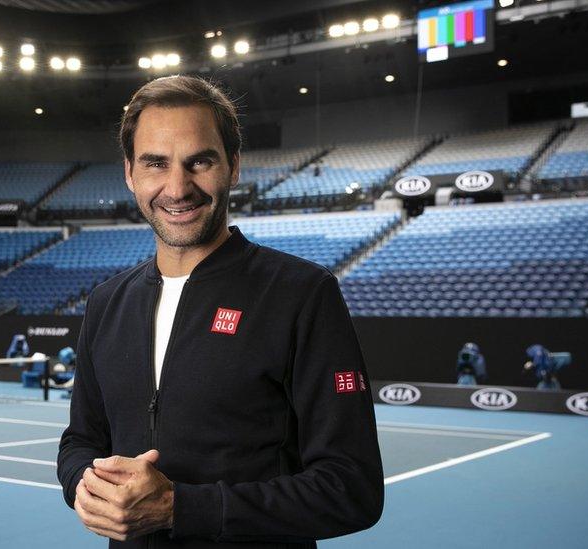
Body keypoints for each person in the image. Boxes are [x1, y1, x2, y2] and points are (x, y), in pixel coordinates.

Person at [57, 75, 383, 548]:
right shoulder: (106, 302)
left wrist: (181, 508)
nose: (177, 187)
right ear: (130, 173)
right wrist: (83, 488)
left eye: (199, 161)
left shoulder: (303, 294)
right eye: (155, 163)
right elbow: (80, 441)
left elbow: (353, 489)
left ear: (232, 167)